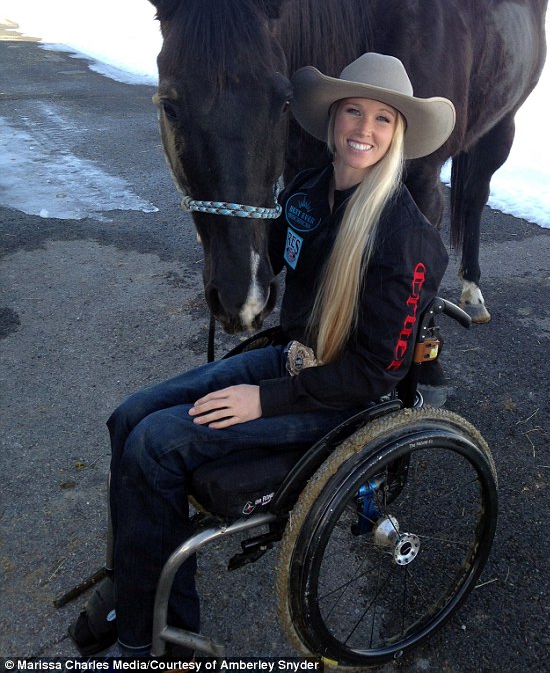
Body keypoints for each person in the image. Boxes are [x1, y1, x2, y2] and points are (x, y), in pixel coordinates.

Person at [70, 52, 455, 658]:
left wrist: (262, 400)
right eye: (353, 111)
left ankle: (162, 646)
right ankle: (136, 585)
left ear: (398, 134)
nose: (364, 129)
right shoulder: (304, 194)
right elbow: (266, 259)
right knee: (129, 415)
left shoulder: (407, 239)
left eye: (383, 119)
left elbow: (375, 371)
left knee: (157, 443)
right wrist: (226, 245)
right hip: (290, 358)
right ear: (332, 121)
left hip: (342, 399)